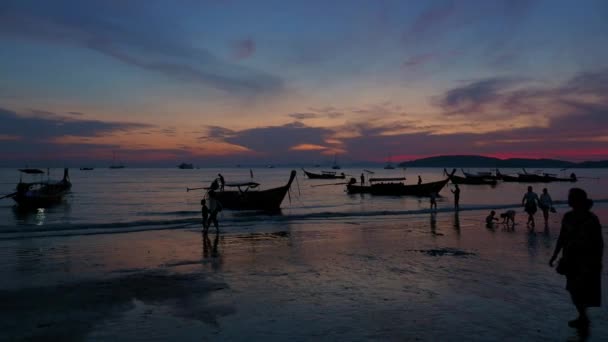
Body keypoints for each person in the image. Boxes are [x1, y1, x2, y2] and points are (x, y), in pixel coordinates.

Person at [549, 188, 603, 329]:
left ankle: (583, 317)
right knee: (573, 289)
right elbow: (561, 237)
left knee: (582, 289)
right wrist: (554, 255)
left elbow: (599, 243)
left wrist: (598, 261)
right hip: (570, 258)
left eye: (571, 197)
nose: (568, 199)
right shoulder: (567, 216)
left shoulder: (592, 219)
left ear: (578, 200)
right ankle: (583, 316)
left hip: (586, 260)